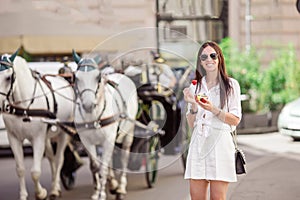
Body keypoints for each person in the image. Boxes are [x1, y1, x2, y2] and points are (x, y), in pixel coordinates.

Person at [182, 41, 242, 200]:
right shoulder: (196, 86)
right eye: (204, 56)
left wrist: (212, 109)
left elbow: (235, 120)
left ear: (219, 58)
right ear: (200, 61)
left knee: (218, 198)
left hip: (220, 144)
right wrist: (193, 104)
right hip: (198, 144)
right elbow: (191, 124)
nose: (209, 59)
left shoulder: (231, 85)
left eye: (213, 55)